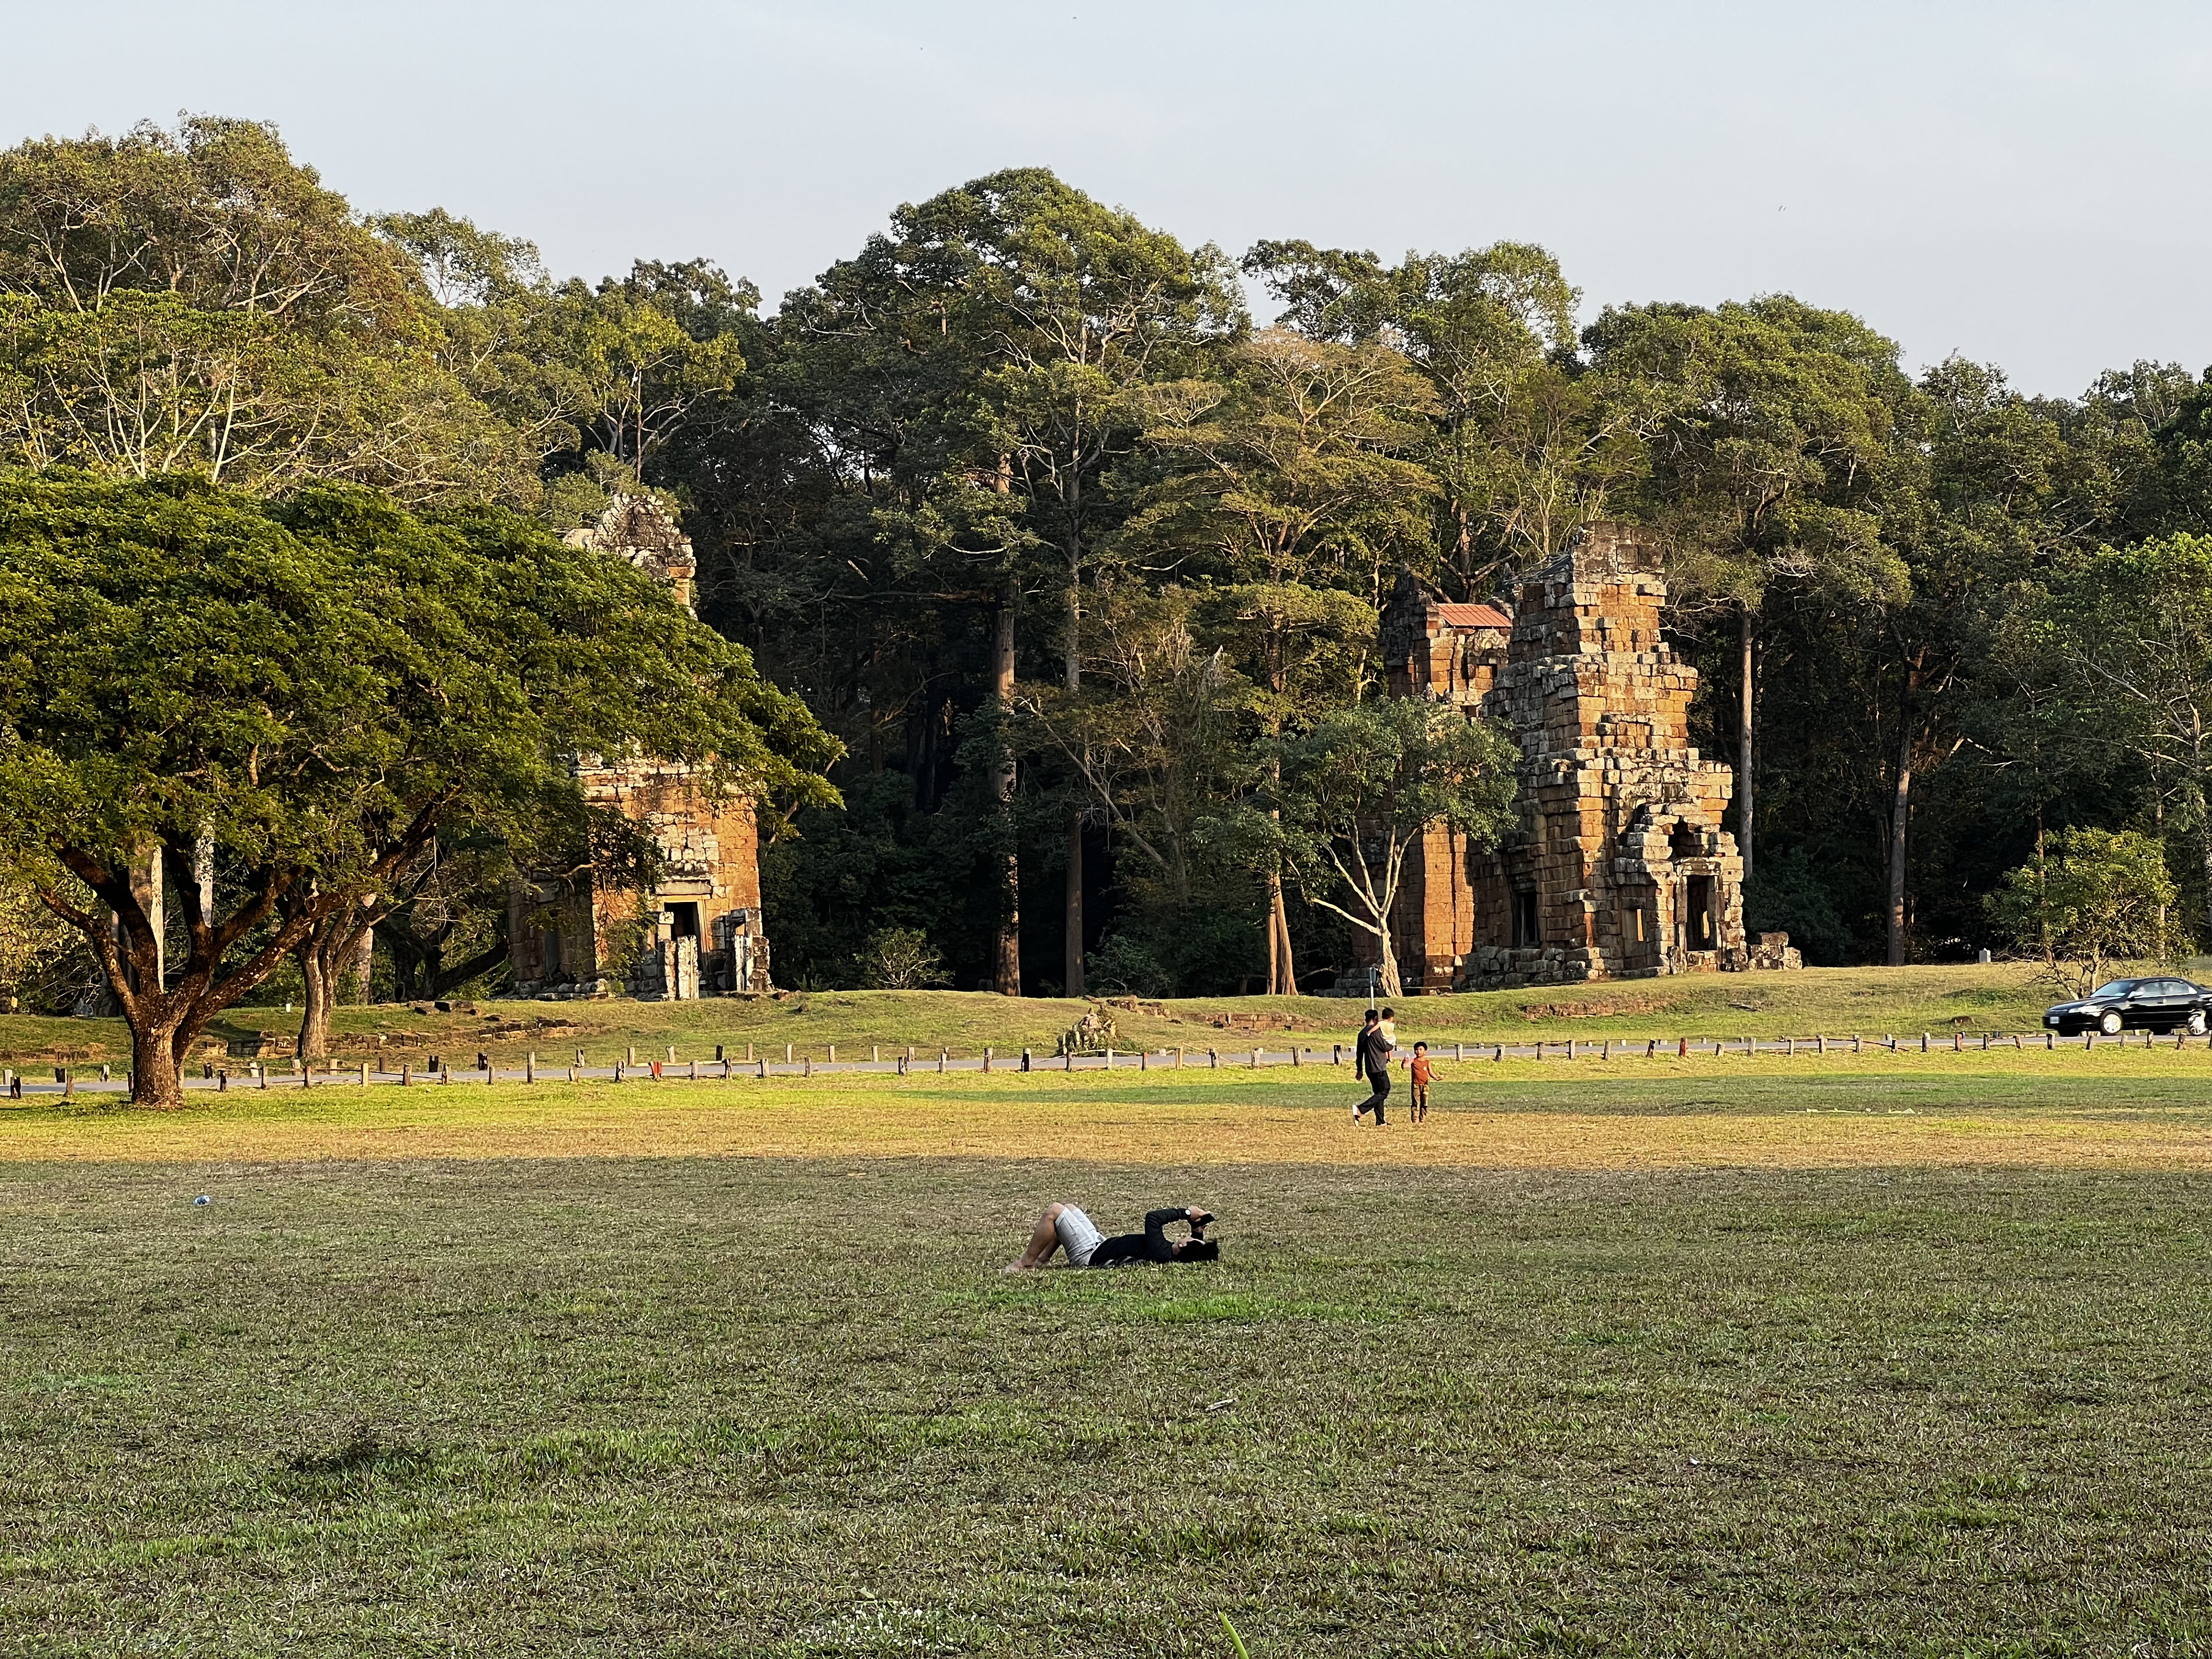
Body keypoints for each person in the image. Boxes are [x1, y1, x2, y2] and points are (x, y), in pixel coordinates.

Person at [1004, 1202, 1218, 1270]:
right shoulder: (1171, 1253)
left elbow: (1153, 1219)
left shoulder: (1160, 1251)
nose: (1191, 1237)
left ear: (1184, 1246)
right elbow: (1193, 1247)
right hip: (1100, 1244)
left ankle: (1026, 1263)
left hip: (1089, 1255)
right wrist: (1197, 1228)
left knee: (1055, 1212)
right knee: (1069, 1209)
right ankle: (1043, 1259)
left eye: (1193, 1239)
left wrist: (1186, 1213)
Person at [1352, 1006, 1393, 1125]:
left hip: (1369, 1068)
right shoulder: (1376, 1032)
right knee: (1385, 1090)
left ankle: (1380, 1121)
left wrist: (1359, 1069)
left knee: (1378, 1093)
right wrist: (1392, 1044)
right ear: (1376, 1019)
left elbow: (1359, 1053)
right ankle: (1361, 1109)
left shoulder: (1362, 1034)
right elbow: (1385, 1047)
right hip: (1379, 1067)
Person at [1407, 1039, 1433, 1123]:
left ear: (1425, 1051)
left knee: (1425, 1103)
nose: (1418, 1051)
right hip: (1416, 1085)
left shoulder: (1427, 1062)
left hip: (1425, 1085)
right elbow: (1404, 1066)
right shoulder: (1413, 1061)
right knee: (1416, 1103)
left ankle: (1423, 1118)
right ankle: (1415, 1119)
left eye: (1421, 1049)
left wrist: (1436, 1077)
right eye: (1417, 1050)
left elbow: (1431, 1072)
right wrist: (1405, 1061)